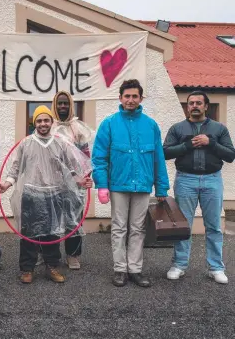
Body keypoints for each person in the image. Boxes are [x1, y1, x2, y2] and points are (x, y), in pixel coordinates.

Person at [0, 105, 92, 284]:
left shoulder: (60, 143)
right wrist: (6, 184)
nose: (43, 124)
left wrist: (81, 181)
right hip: (31, 194)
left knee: (52, 234)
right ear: (34, 123)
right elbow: (15, 168)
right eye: (39, 120)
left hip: (54, 195)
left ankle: (52, 267)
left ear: (51, 122)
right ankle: (27, 268)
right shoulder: (26, 143)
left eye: (46, 120)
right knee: (28, 235)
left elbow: (72, 167)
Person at [92, 79, 169, 288]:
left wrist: (161, 187)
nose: (131, 100)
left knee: (138, 228)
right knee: (119, 228)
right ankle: (120, 269)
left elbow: (158, 159)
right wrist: (102, 185)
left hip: (142, 185)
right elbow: (99, 157)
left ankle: (135, 269)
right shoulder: (109, 124)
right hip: (118, 185)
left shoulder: (151, 125)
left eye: (135, 96)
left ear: (141, 98)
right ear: (120, 98)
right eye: (127, 96)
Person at [163, 91, 235, 284]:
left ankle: (216, 267)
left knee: (213, 226)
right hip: (186, 180)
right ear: (187, 107)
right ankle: (179, 264)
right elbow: (165, 152)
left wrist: (210, 142)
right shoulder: (177, 128)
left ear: (206, 106)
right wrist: (187, 146)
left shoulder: (219, 129)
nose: (194, 105)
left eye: (198, 103)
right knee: (183, 226)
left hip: (212, 180)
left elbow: (230, 155)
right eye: (191, 103)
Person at [45, 90, 95, 270]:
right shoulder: (49, 126)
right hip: (53, 182)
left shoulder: (78, 128)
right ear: (55, 105)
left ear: (71, 105)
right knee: (51, 219)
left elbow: (86, 156)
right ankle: (51, 255)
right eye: (60, 103)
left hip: (74, 183)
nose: (63, 106)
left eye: (66, 103)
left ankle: (73, 255)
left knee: (73, 218)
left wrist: (85, 177)